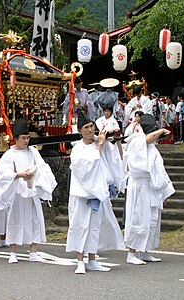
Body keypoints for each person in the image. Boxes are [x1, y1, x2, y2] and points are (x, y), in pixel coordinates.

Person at [66, 112, 125, 274]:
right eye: (86, 127)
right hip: (82, 195)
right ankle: (80, 260)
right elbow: (84, 170)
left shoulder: (100, 144)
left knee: (94, 227)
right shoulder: (77, 149)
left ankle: (92, 259)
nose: (90, 130)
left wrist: (106, 142)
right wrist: (99, 146)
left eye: (92, 126)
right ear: (80, 131)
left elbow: (111, 161)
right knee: (80, 226)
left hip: (98, 193)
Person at [0, 119, 57, 264]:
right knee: (14, 220)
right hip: (17, 191)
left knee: (34, 220)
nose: (26, 141)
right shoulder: (10, 154)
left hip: (31, 190)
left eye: (28, 138)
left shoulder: (33, 151)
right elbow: (1, 174)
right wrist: (18, 174)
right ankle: (13, 252)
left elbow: (42, 166)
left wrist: (36, 174)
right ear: (15, 139)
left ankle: (33, 251)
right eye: (23, 138)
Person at [124, 115, 175, 265]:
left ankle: (145, 251)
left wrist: (165, 192)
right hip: (140, 186)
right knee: (138, 218)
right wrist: (161, 130)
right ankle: (131, 252)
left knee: (152, 220)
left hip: (152, 188)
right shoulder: (137, 140)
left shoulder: (153, 150)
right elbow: (146, 140)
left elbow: (161, 172)